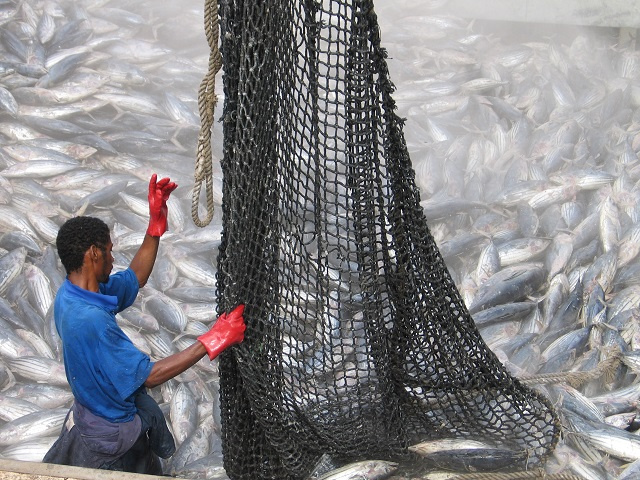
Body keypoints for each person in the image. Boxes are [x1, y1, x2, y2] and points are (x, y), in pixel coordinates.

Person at [43, 174, 246, 474]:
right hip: (110, 438)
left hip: (92, 408)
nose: (114, 257)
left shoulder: (73, 293)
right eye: (109, 250)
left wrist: (154, 229)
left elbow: (135, 278)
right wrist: (212, 339)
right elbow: (150, 376)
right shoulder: (90, 321)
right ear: (93, 253)